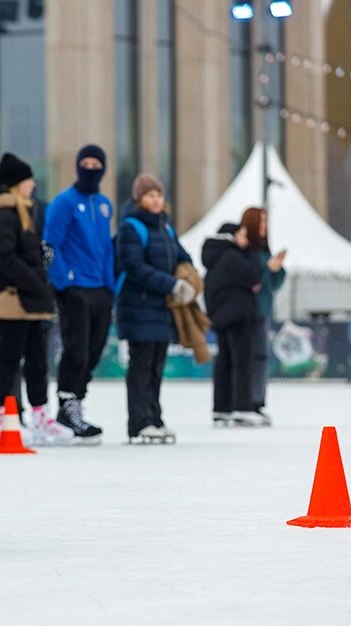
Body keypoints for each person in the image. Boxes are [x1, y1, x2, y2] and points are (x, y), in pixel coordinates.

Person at [0, 153, 73, 446]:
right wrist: (36, 282)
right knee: (7, 359)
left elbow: (21, 254)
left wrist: (39, 261)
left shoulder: (22, 211)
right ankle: (0, 419)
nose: (33, 185)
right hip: (12, 299)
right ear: (17, 184)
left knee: (37, 361)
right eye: (28, 180)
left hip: (29, 300)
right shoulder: (3, 212)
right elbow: (3, 257)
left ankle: (40, 418)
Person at [114, 173, 195, 444]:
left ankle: (154, 416)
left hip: (161, 309)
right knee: (142, 365)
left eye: (159, 194)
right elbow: (135, 267)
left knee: (157, 365)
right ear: (139, 199)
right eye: (150, 195)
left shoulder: (166, 228)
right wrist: (171, 284)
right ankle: (139, 422)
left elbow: (182, 256)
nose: (156, 199)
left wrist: (188, 275)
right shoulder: (131, 228)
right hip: (138, 306)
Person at [44, 144, 115, 443]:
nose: (90, 167)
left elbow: (107, 247)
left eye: (95, 163)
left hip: (101, 287)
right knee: (76, 348)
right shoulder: (64, 202)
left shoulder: (103, 204)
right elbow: (49, 245)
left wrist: (111, 285)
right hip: (74, 288)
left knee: (95, 348)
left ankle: (77, 399)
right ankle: (67, 403)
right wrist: (64, 283)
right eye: (85, 162)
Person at [201, 222, 264, 427]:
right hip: (238, 316)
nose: (246, 241)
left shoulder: (215, 257)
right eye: (243, 236)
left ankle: (222, 408)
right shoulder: (232, 256)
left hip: (220, 317)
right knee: (242, 361)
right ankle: (242, 407)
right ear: (231, 237)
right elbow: (255, 275)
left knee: (224, 362)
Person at [240, 207, 286, 425]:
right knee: (252, 357)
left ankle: (258, 401)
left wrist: (276, 269)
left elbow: (272, 284)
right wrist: (266, 269)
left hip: (264, 311)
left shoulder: (264, 252)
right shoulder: (246, 253)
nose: (264, 227)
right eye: (261, 222)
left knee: (261, 358)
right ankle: (248, 402)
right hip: (250, 312)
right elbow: (253, 279)